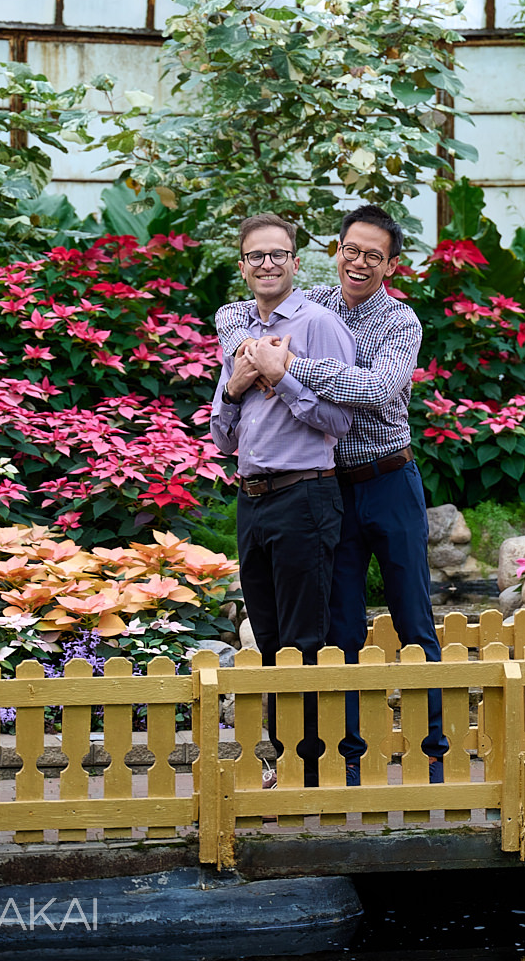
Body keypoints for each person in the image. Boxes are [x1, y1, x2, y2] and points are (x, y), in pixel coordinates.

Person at [215, 204, 447, 786]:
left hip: (389, 479)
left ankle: (433, 751)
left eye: (375, 254)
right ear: (334, 251)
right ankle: (347, 754)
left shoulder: (400, 322)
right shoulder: (311, 301)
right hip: (327, 487)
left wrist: (288, 361)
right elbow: (236, 315)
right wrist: (243, 356)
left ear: (391, 265)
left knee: (414, 617)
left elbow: (377, 388)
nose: (360, 262)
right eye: (352, 250)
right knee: (338, 628)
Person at [209, 212, 356, 788]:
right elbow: (223, 437)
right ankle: (279, 761)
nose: (266, 264)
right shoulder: (239, 333)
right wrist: (237, 383)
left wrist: (282, 377)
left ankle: (311, 767)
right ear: (243, 267)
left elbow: (340, 419)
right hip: (253, 499)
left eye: (277, 254)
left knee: (303, 638)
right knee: (265, 636)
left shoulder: (319, 325)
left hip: (305, 494)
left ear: (296, 262)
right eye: (255, 256)